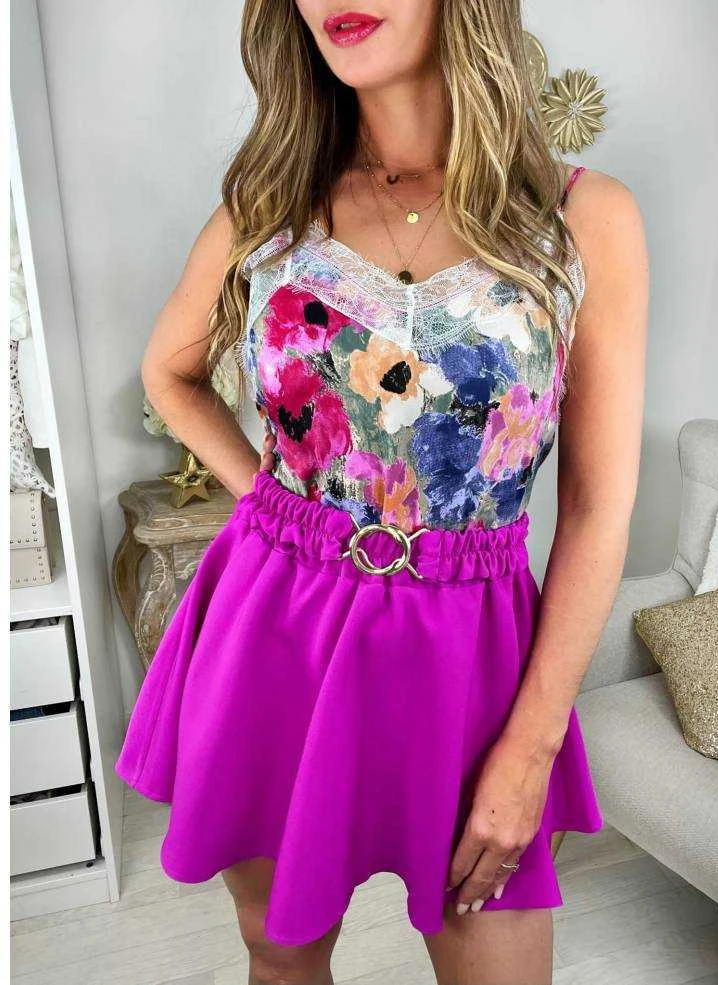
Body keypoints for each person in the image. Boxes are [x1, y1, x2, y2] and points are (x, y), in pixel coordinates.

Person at [115, 1, 649, 983]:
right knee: (279, 953)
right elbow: (169, 372)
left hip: (471, 654)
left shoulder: (581, 219)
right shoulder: (269, 207)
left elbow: (596, 508)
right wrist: (270, 499)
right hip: (275, 626)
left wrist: (532, 745)